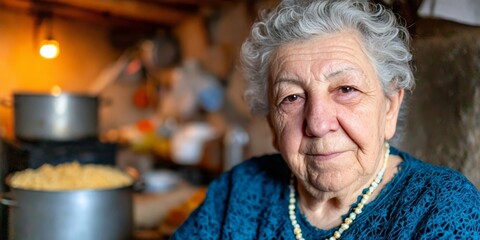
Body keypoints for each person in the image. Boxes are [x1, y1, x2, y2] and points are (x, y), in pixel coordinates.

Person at [171, 0, 480, 239]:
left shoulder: (442, 206)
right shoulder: (239, 190)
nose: (318, 124)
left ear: (389, 108)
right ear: (272, 125)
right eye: (291, 98)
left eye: (346, 89)